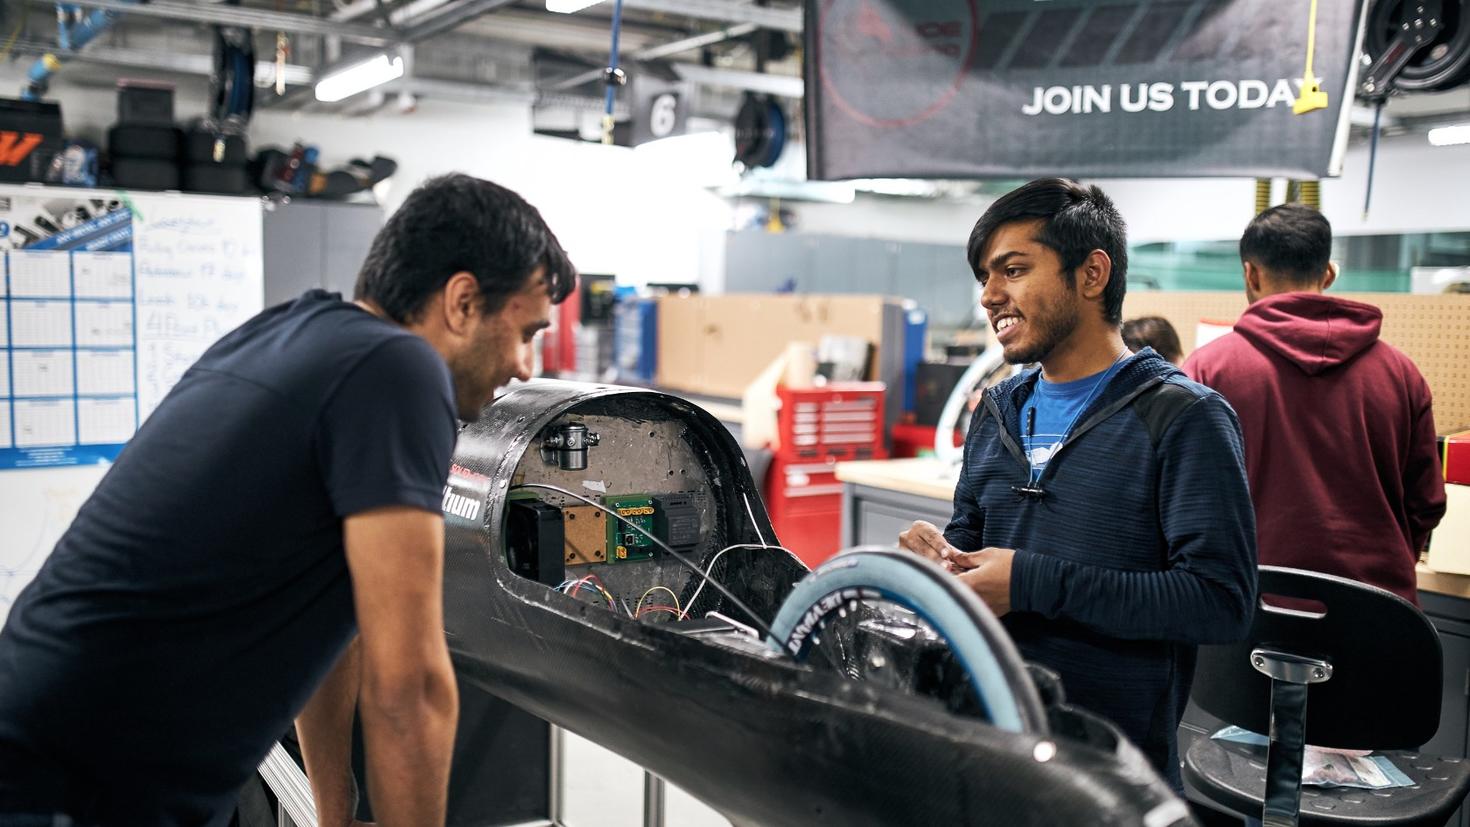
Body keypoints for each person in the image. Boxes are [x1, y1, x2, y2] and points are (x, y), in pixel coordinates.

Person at [0, 173, 576, 826]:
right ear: (463, 301)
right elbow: (409, 689)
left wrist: (336, 808)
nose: (528, 365)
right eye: (525, 331)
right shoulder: (400, 371)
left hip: (60, 751)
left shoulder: (292, 332)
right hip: (72, 790)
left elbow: (330, 625)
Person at [899, 178, 1256, 791]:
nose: (989, 296)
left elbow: (1220, 603)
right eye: (984, 276)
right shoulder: (998, 408)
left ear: (1092, 274)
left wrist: (1031, 583)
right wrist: (939, 557)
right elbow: (973, 538)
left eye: (1012, 269)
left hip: (1111, 772)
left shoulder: (1184, 417)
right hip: (990, 739)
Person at [1184, 203, 1445, 604]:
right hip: (1377, 610)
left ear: (1250, 273)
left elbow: (1183, 501)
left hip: (1247, 611)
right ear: (1328, 273)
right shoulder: (1401, 373)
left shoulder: (1208, 370)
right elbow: (1426, 503)